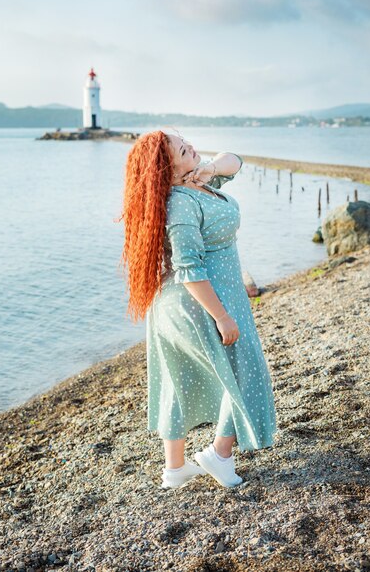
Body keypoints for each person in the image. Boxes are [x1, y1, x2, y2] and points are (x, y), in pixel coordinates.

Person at [117, 130, 277, 489]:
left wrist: (207, 168)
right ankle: (220, 456)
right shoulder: (181, 203)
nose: (186, 144)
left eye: (183, 140)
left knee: (177, 379)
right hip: (201, 301)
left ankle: (175, 470)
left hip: (183, 303)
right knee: (244, 372)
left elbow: (235, 160)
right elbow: (189, 268)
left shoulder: (197, 183)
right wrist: (221, 315)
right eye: (178, 147)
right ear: (164, 165)